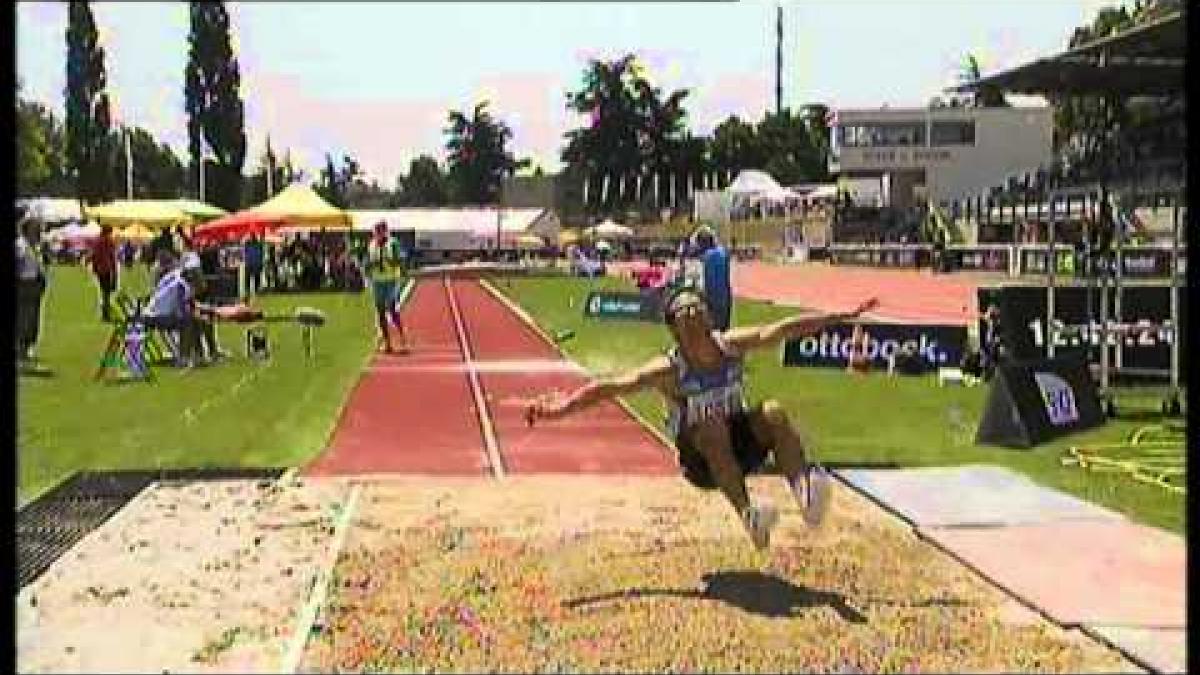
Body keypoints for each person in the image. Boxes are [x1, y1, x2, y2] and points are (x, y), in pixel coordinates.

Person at [526, 285, 880, 550]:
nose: (692, 312)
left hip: (740, 444)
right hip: (702, 460)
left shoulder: (732, 346)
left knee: (773, 411)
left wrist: (840, 316)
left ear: (710, 316)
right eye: (684, 311)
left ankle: (805, 495)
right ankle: (750, 516)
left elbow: (783, 329)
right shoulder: (669, 370)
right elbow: (616, 385)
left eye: (697, 307)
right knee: (711, 428)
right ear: (675, 329)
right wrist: (564, 407)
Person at [365, 221, 410, 354]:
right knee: (380, 311)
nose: (377, 234)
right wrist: (368, 268)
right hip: (377, 281)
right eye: (375, 232)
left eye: (380, 231)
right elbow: (368, 261)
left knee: (391, 308)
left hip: (391, 280)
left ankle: (402, 336)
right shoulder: (372, 244)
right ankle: (387, 342)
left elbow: (399, 260)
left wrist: (389, 260)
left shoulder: (393, 243)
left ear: (385, 231)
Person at [16, 216, 48, 365]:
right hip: (25, 286)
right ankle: (21, 350)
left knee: (33, 319)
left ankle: (26, 348)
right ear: (28, 230)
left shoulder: (33, 247)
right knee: (25, 319)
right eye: (37, 229)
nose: (40, 233)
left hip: (34, 287)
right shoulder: (21, 247)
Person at [695, 227, 733, 331]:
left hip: (713, 299)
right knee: (725, 330)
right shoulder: (723, 252)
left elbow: (707, 281)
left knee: (713, 332)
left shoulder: (707, 256)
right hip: (726, 296)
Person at [89, 224, 119, 321]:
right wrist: (115, 272)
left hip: (99, 269)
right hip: (107, 268)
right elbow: (112, 256)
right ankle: (106, 314)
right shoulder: (109, 241)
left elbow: (93, 256)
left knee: (104, 291)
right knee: (106, 293)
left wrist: (94, 268)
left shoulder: (97, 240)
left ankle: (105, 313)